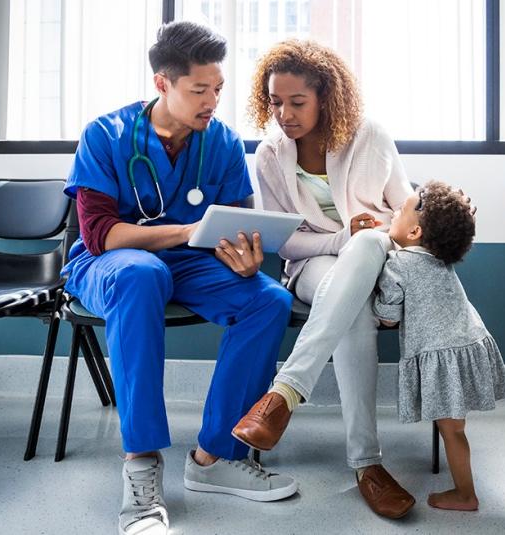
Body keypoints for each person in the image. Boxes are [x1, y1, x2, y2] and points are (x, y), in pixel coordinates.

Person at [61, 21, 298, 535]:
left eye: (218, 89)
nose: (212, 101)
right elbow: (100, 234)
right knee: (141, 274)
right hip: (110, 264)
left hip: (190, 263)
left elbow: (235, 224)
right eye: (199, 90)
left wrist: (244, 257)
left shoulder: (222, 142)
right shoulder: (106, 135)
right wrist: (186, 231)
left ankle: (216, 457)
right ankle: (142, 463)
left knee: (269, 301)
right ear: (162, 83)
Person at [230, 39, 417, 519]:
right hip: (312, 264)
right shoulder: (269, 155)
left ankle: (284, 393)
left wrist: (369, 235)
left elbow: (405, 211)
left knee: (368, 245)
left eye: (297, 102)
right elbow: (286, 242)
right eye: (275, 102)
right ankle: (367, 464)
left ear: (325, 97)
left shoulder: (370, 136)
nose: (284, 114)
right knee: (353, 304)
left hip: (378, 260)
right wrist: (340, 239)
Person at [374, 181, 505, 511]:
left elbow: (387, 318)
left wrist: (373, 299)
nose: (394, 213)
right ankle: (465, 491)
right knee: (455, 429)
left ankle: (465, 495)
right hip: (467, 344)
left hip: (443, 354)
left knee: (452, 432)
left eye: (400, 211)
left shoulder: (399, 264)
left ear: (415, 231)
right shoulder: (439, 258)